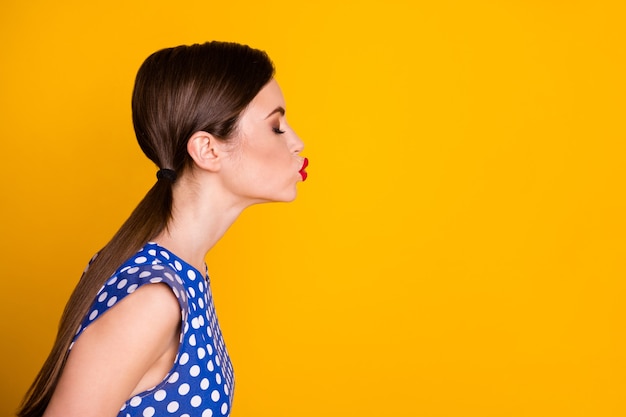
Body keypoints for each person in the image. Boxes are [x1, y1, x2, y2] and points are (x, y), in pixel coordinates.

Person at [18, 41, 307, 417]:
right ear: (207, 150)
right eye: (277, 126)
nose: (297, 142)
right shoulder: (154, 300)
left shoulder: (187, 273)